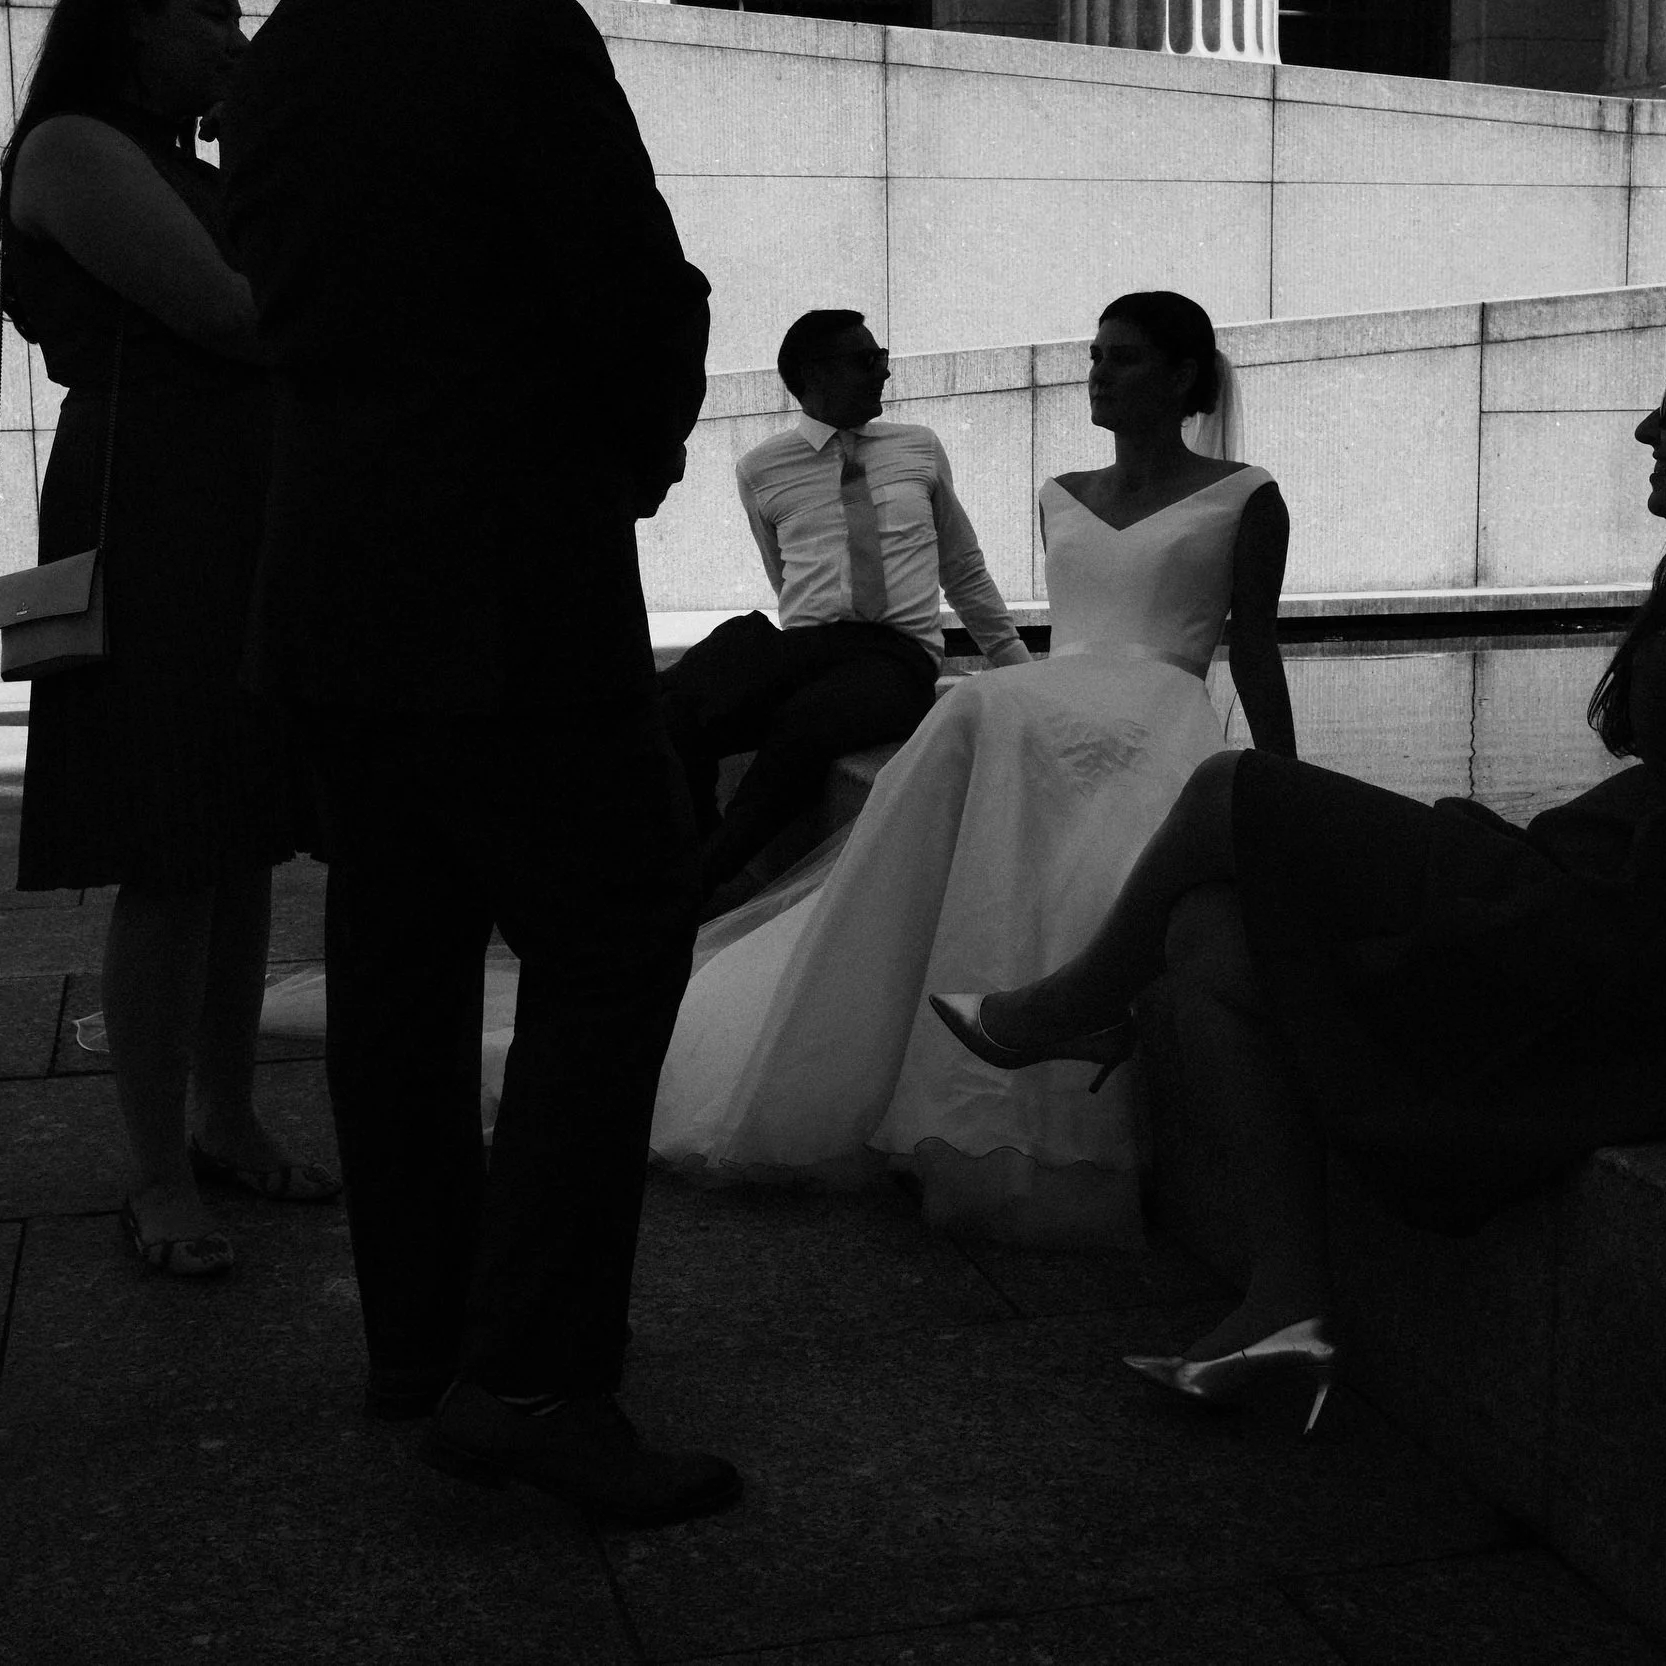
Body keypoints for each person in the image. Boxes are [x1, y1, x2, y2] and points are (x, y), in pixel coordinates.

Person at [935, 312, 1666, 1429]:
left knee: (1234, 793)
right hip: (1621, 901)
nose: (1649, 430)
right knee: (1206, 942)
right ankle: (1284, 1308)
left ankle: (1071, 1010)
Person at [220, 0, 739, 1526]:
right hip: (503, 569)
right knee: (616, 936)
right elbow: (629, 286)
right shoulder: (508, 26)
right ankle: (528, 1380)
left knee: (401, 955)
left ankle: (425, 1339)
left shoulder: (291, 45)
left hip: (331, 569)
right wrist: (635, 450)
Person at [651, 292, 1294, 1248]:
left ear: (1185, 376)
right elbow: (1064, 634)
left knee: (984, 714)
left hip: (1161, 701)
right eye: (1096, 355)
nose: (1098, 375)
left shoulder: (1247, 494)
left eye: (1122, 359)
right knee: (977, 709)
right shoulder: (1062, 492)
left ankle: (1043, 1024)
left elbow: (1254, 651)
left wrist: (1282, 783)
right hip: (1054, 690)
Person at [0, 0, 330, 1279]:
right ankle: (157, 1170)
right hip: (157, 506)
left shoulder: (183, 161)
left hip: (236, 502)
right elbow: (234, 311)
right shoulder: (75, 146)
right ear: (131, 26)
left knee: (242, 833)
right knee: (171, 840)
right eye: (207, 14)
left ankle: (229, 1116)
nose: (233, 41)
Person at [661, 309, 1034, 913]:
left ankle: (695, 887)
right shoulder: (761, 467)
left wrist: (1017, 668)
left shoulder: (919, 446)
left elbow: (961, 567)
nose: (883, 370)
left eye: (881, 354)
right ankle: (691, 854)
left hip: (897, 655)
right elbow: (783, 576)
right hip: (809, 644)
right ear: (813, 375)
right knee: (679, 699)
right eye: (866, 360)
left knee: (810, 723)